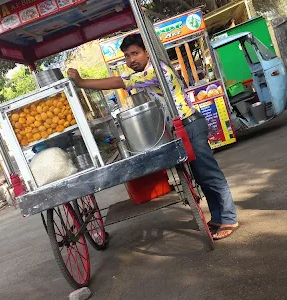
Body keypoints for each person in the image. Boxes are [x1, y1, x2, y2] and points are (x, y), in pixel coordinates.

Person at [67, 34, 238, 240]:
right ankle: (218, 217)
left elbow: (119, 81)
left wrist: (82, 82)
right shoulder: (147, 73)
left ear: (146, 52)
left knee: (210, 174)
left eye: (135, 53)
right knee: (201, 176)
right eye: (127, 56)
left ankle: (229, 218)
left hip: (190, 124)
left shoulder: (156, 70)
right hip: (180, 128)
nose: (131, 60)